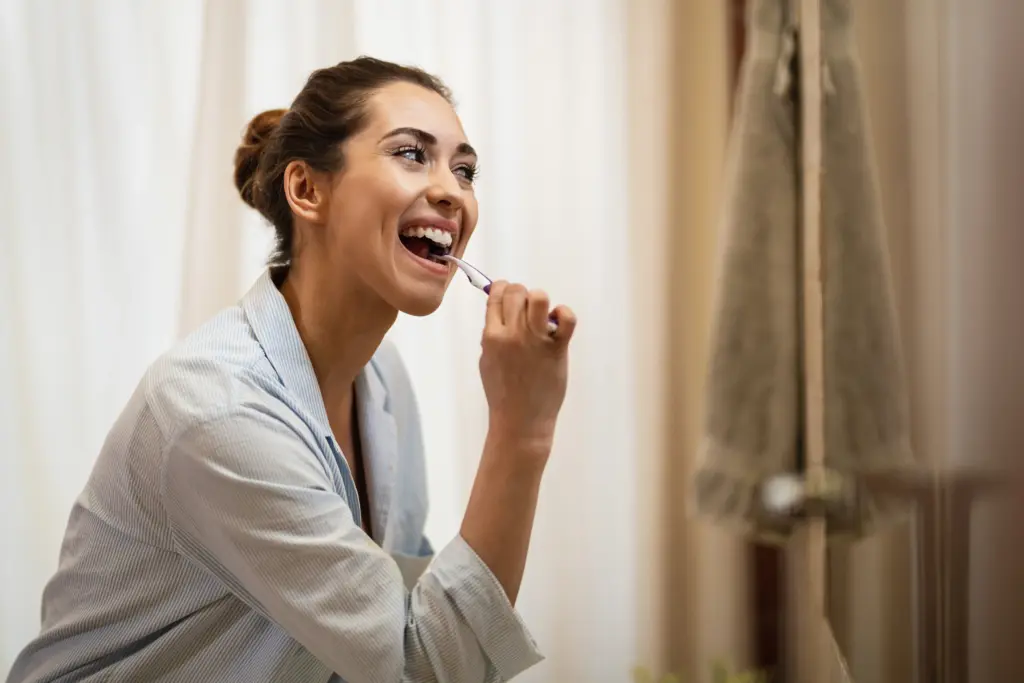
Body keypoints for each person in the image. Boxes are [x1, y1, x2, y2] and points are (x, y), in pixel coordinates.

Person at [8, 56, 576, 683]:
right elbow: (421, 667)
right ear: (307, 190)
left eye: (464, 170)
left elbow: (393, 625)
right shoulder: (216, 409)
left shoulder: (382, 382)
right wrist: (522, 432)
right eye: (412, 155)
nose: (451, 190)